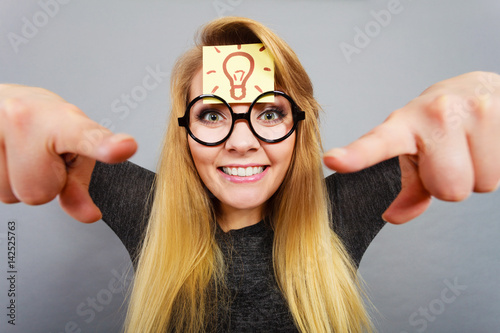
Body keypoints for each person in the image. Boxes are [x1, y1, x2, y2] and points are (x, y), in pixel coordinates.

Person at [0, 16, 499, 332]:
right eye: (212, 115)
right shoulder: (151, 209)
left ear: (299, 128)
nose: (241, 140)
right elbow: (48, 143)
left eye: (270, 113)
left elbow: (440, 138)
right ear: (186, 133)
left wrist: (478, 97)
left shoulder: (340, 209)